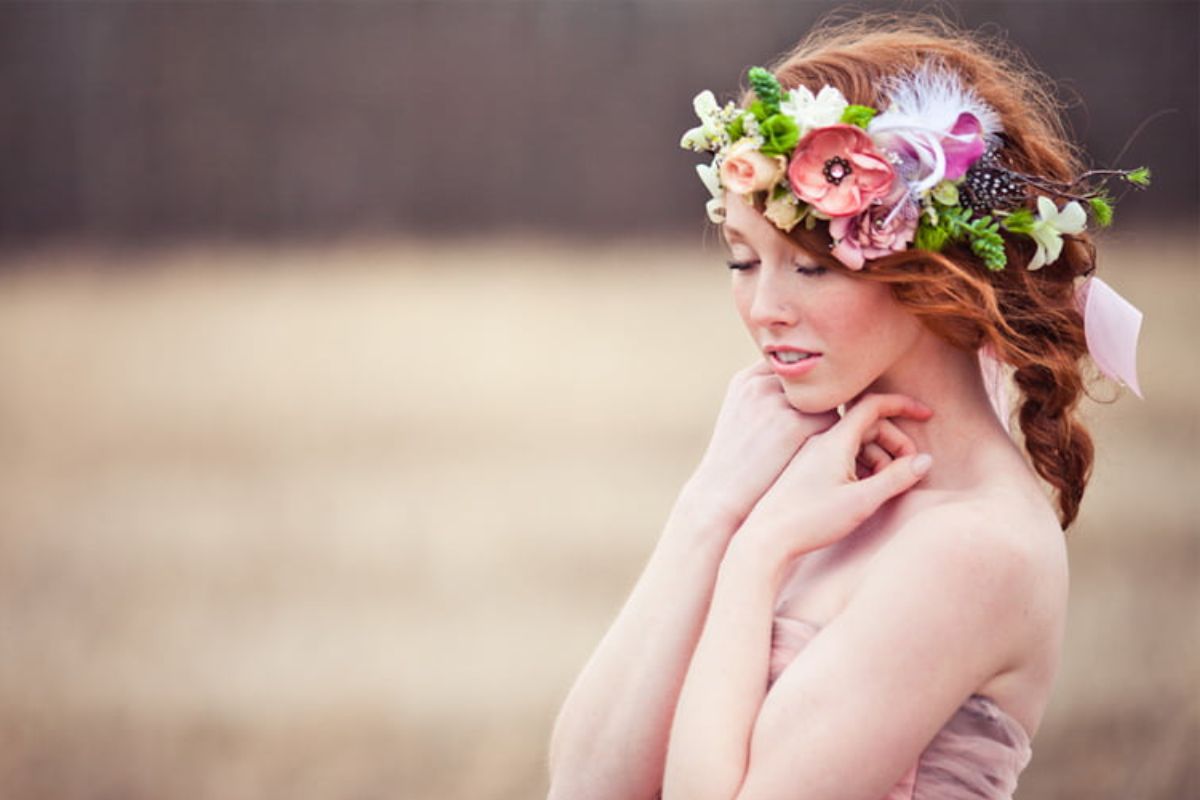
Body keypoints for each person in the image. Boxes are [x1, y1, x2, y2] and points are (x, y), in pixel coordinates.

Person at [546, 11, 1147, 800]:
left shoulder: (975, 549)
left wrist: (756, 558)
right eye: (741, 259)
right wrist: (710, 507)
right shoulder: (800, 483)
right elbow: (583, 787)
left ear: (932, 270)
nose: (764, 308)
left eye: (811, 269)